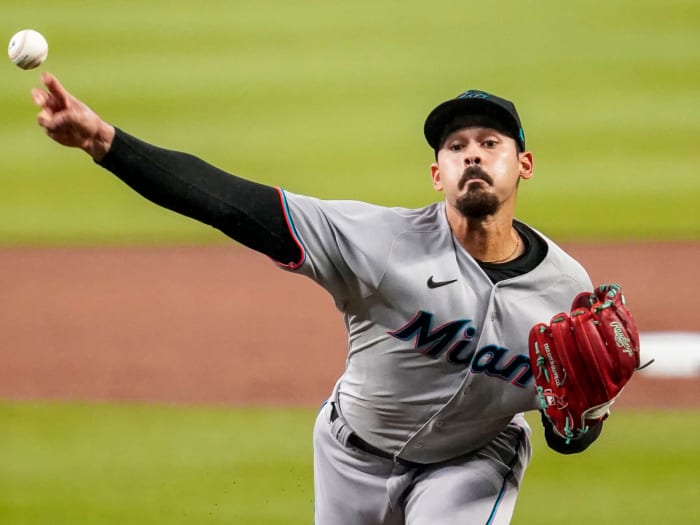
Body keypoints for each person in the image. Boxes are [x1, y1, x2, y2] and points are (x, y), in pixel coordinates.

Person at [32, 73, 603, 524]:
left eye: (489, 143)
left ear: (523, 164)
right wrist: (103, 142)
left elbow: (571, 433)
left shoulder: (565, 290)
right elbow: (234, 204)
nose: (472, 155)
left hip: (472, 462)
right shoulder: (381, 243)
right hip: (350, 456)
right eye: (457, 146)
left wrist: (578, 420)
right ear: (437, 174)